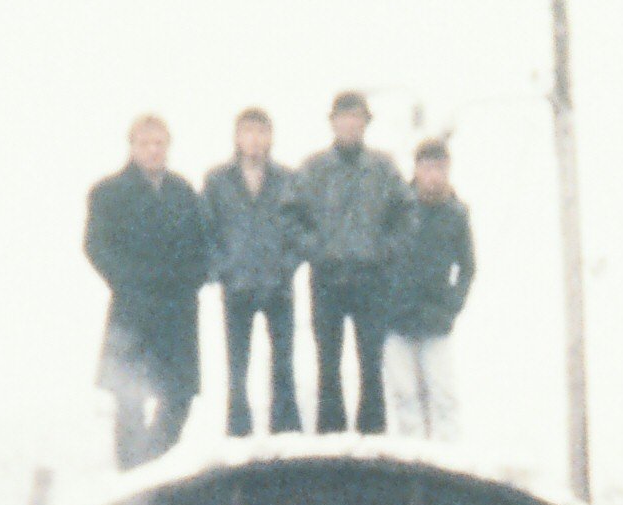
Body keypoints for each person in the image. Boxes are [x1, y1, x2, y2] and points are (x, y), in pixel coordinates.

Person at [86, 115, 213, 468]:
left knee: (179, 395)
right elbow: (96, 246)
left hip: (178, 309)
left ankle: (156, 465)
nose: (154, 150)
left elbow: (202, 246)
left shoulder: (183, 191)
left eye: (160, 143)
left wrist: (191, 279)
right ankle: (131, 478)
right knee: (129, 398)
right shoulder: (108, 192)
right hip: (133, 308)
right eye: (146, 143)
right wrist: (130, 282)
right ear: (132, 147)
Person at [293, 91, 406, 435]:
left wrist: (386, 249)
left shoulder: (383, 168)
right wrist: (315, 248)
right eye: (343, 117)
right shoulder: (313, 168)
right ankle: (330, 441)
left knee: (371, 364)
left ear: (366, 123)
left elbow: (407, 213)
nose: (350, 124)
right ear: (332, 122)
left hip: (371, 279)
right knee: (328, 365)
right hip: (327, 278)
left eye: (357, 117)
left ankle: (373, 442)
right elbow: (289, 216)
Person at [205, 107, 304, 437]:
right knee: (237, 369)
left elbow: (301, 229)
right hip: (238, 286)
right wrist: (223, 269)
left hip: (278, 285)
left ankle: (286, 434)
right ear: (236, 137)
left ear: (271, 137)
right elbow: (207, 230)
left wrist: (287, 266)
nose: (255, 140)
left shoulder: (287, 179)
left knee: (283, 365)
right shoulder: (218, 180)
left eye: (262, 132)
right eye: (248, 132)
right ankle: (238, 435)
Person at [380, 138, 478, 439]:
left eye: (440, 168)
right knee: (404, 395)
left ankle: (449, 462)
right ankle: (414, 459)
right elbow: (381, 255)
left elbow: (467, 267)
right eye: (427, 167)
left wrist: (452, 305)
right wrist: (386, 299)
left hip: (436, 319)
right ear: (416, 169)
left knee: (444, 394)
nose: (433, 175)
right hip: (397, 317)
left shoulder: (457, 214)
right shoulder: (398, 207)